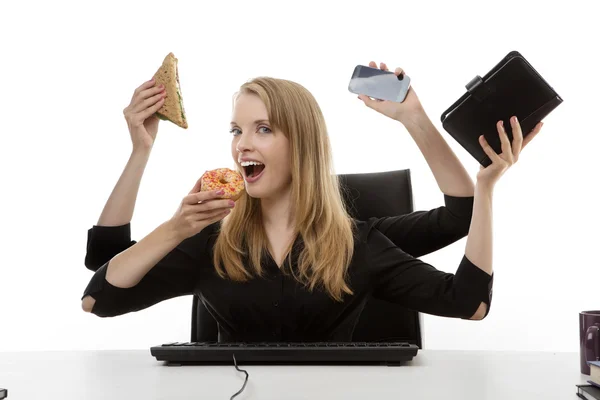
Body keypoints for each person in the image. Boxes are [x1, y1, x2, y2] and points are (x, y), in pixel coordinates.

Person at [81, 62, 542, 343]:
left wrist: (425, 129)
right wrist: (163, 200)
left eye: (263, 129)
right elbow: (101, 291)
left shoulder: (359, 242)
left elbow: (469, 300)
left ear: (301, 143)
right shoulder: (210, 242)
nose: (243, 144)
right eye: (236, 130)